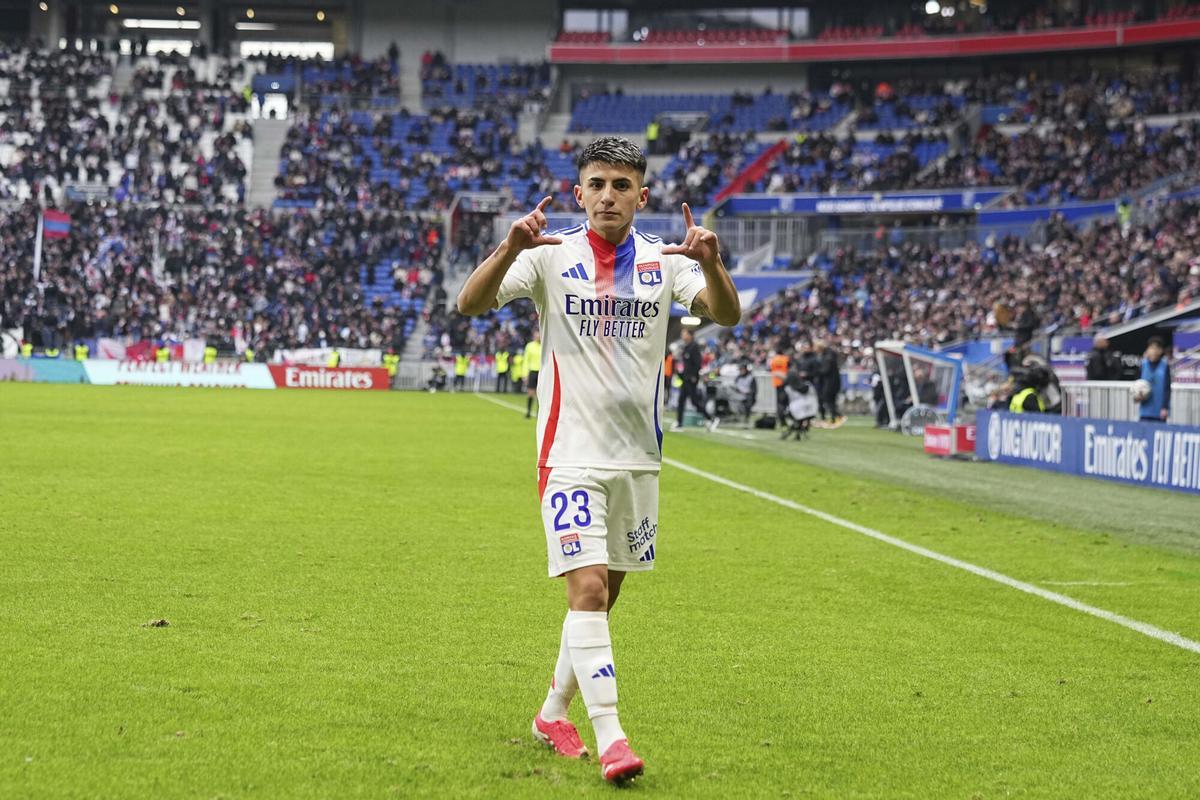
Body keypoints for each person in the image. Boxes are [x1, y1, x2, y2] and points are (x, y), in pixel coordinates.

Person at [455, 136, 740, 785]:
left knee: (601, 600)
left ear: (642, 195)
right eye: (597, 184)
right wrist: (509, 248)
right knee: (585, 590)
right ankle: (612, 738)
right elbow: (470, 303)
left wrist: (714, 264)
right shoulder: (549, 253)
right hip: (569, 455)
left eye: (621, 185)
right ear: (579, 192)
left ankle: (552, 714)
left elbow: (726, 314)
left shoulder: (666, 260)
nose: (608, 195)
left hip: (638, 460)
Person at [673, 327, 714, 431]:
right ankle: (679, 423)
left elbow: (697, 363)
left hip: (691, 379)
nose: (682, 335)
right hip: (685, 378)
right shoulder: (686, 347)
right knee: (681, 400)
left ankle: (710, 418)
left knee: (694, 401)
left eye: (684, 333)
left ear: (690, 335)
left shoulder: (694, 347)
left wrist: (694, 376)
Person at [1138, 336, 1171, 423]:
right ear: (1147, 350)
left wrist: (1165, 407)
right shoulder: (1143, 364)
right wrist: (1138, 396)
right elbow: (1137, 384)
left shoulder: (1165, 366)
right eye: (1151, 348)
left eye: (1157, 348)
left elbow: (1167, 388)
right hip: (1145, 410)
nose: (1154, 351)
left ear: (1161, 351)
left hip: (1159, 411)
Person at [523, 330, 542, 418]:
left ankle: (539, 414)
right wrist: (525, 374)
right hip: (532, 371)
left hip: (541, 372)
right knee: (530, 392)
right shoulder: (529, 346)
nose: (538, 337)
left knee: (540, 394)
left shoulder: (544, 345)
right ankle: (528, 412)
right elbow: (526, 360)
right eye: (537, 335)